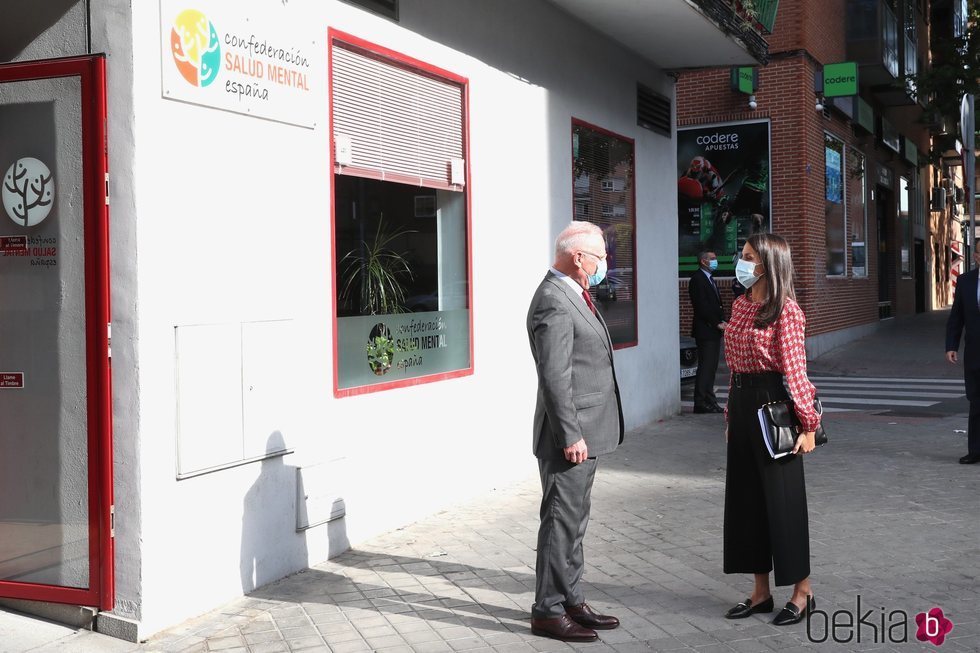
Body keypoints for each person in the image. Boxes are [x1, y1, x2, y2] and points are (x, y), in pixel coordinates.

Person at [526, 221, 625, 642]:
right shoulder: (553, 299)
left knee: (575, 521)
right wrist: (570, 434)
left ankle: (570, 598)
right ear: (578, 256)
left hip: (587, 430)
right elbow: (555, 377)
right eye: (600, 257)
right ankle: (547, 610)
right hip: (570, 436)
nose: (605, 265)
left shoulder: (574, 293)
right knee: (560, 522)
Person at [722, 233, 820, 626]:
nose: (741, 262)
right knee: (747, 502)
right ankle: (760, 592)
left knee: (784, 504)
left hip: (776, 407)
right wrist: (731, 416)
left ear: (767, 263)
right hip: (744, 404)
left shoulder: (787, 311)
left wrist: (809, 425)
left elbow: (796, 372)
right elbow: (732, 368)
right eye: (741, 256)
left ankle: (802, 592)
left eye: (747, 257)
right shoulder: (741, 305)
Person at [944, 248, 980, 464]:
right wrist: (951, 345)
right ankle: (975, 450)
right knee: (975, 402)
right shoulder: (965, 281)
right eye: (979, 254)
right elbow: (956, 316)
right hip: (974, 352)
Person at [689, 250, 727, 413]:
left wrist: (722, 320)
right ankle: (701, 402)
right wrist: (716, 323)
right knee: (705, 367)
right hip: (706, 330)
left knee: (711, 368)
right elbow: (701, 306)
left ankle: (710, 400)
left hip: (713, 330)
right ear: (703, 261)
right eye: (712, 259)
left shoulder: (710, 279)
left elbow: (715, 304)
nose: (715, 261)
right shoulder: (697, 279)